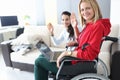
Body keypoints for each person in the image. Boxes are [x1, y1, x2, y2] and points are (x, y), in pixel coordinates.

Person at [57, 0, 111, 68]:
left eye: (88, 8)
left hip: (78, 64)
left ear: (95, 8)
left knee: (40, 61)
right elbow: (82, 42)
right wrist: (75, 27)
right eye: (82, 9)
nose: (84, 12)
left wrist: (68, 53)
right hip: (76, 60)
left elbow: (89, 54)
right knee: (43, 58)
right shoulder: (89, 25)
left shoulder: (97, 26)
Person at [34, 11, 76, 80]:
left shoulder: (75, 29)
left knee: (38, 61)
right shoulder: (64, 31)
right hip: (66, 55)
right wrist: (51, 33)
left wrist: (72, 44)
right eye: (63, 20)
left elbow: (78, 45)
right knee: (41, 55)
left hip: (68, 58)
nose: (64, 22)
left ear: (71, 19)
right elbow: (57, 43)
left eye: (67, 19)